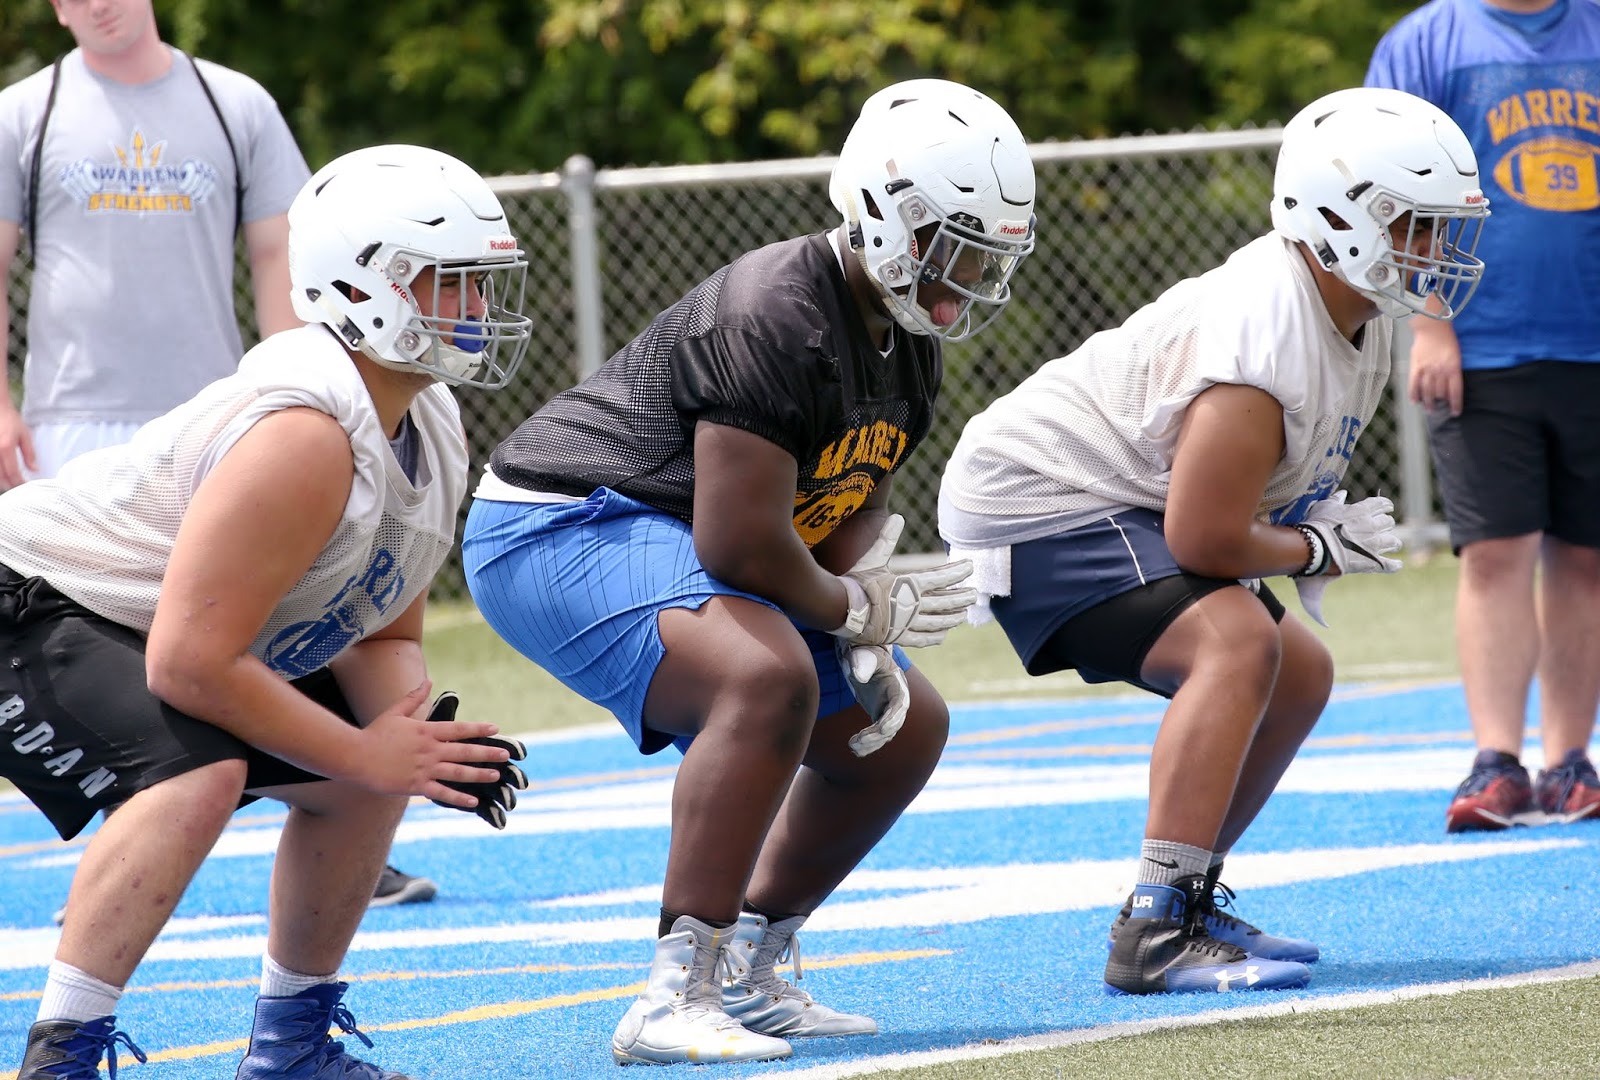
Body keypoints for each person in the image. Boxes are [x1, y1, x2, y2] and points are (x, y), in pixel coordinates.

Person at [461, 78, 1035, 1064]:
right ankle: (672, 989)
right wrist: (853, 611)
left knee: (899, 731)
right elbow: (738, 544)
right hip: (556, 524)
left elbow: (848, 501)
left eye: (987, 258)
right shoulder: (775, 311)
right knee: (763, 677)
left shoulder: (907, 345)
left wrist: (867, 609)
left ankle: (750, 970)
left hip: (670, 534)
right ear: (880, 213)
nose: (965, 281)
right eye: (951, 249)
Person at [938, 87, 1489, 995]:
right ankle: (1155, 927)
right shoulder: (1268, 331)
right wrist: (1312, 549)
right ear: (1338, 218)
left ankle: (1184, 895)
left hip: (1117, 499)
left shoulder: (1348, 309)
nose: (1434, 250)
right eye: (1412, 224)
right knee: (1235, 646)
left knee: (1298, 668)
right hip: (1037, 501)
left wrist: (1300, 538)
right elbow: (1203, 534)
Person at [3, 143, 533, 1080]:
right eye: (450, 284)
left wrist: (408, 741)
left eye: (482, 285)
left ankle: (291, 1051)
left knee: (370, 773)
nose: (479, 311)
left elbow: (385, 628)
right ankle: (60, 1059)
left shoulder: (432, 417)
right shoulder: (306, 433)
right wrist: (368, 749)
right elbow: (188, 665)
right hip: (31, 595)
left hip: (139, 623)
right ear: (365, 286)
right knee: (194, 776)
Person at [0, 0, 436, 908]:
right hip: (68, 423)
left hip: (213, 418)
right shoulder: (25, 111)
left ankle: (333, 811)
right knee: (90, 665)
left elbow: (285, 257)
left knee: (229, 632)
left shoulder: (232, 103)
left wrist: (320, 406)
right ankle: (157, 819)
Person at [1366, 0, 1600, 833]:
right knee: (1496, 552)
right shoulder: (1428, 42)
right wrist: (1430, 322)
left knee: (1587, 557)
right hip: (1481, 340)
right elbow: (1391, 194)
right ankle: (1496, 758)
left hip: (1591, 339)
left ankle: (1571, 759)